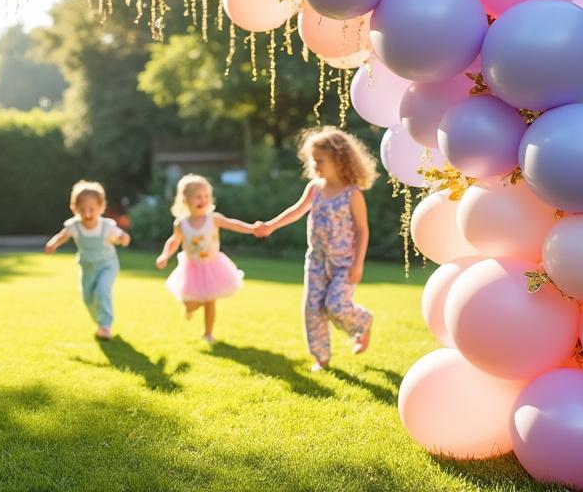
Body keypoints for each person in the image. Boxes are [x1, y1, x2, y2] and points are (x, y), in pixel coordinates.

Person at [256, 127, 377, 371]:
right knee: (313, 309)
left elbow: (363, 230)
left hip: (344, 263)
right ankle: (321, 357)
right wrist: (270, 226)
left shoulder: (352, 194)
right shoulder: (314, 189)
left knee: (335, 305)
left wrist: (358, 264)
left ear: (339, 160)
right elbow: (296, 211)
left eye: (320, 160)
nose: (314, 165)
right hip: (316, 262)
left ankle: (362, 321)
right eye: (313, 160)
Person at [155, 174, 260, 344]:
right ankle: (190, 307)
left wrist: (252, 229)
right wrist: (165, 255)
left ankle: (208, 334)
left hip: (213, 266)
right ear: (185, 200)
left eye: (206, 196)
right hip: (192, 268)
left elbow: (233, 224)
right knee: (190, 304)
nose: (202, 200)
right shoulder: (181, 224)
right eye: (197, 196)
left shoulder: (213, 218)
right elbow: (174, 241)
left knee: (211, 301)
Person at [45, 180, 131, 339]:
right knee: (88, 298)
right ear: (74, 208)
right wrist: (53, 244)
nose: (87, 214)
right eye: (82, 209)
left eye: (91, 209)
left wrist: (123, 239)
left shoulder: (106, 226)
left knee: (102, 290)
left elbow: (121, 237)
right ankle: (100, 322)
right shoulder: (74, 226)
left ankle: (105, 325)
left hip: (107, 265)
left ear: (101, 207)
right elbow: (62, 236)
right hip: (88, 268)